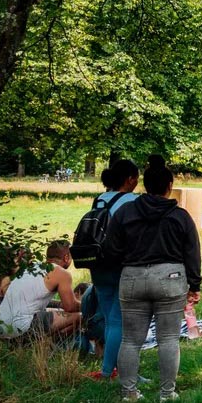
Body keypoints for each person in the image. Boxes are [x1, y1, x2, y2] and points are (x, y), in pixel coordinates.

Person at [102, 155, 202, 403]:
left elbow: (110, 250)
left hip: (132, 277)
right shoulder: (180, 216)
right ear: (170, 186)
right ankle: (167, 394)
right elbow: (192, 252)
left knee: (131, 340)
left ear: (145, 185)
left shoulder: (125, 212)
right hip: (170, 277)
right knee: (168, 339)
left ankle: (129, 393)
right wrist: (195, 284)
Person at [84, 159, 140, 379]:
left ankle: (117, 369)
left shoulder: (99, 199)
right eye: (136, 178)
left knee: (109, 319)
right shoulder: (131, 201)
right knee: (119, 322)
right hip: (118, 264)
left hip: (96, 264)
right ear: (129, 179)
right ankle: (109, 371)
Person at [0, 241, 80, 338]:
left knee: (54, 310)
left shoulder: (31, 268)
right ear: (66, 257)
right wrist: (89, 305)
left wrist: (59, 304)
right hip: (20, 329)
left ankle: (40, 346)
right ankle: (53, 345)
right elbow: (70, 307)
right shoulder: (62, 273)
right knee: (80, 316)